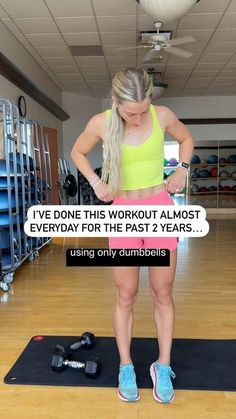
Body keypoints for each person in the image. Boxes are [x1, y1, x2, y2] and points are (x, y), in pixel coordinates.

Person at [71, 67, 194, 404]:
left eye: (143, 110)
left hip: (160, 212)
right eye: (130, 113)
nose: (139, 118)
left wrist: (182, 169)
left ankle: (162, 365)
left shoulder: (163, 115)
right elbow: (77, 152)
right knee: (125, 294)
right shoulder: (102, 122)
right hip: (122, 214)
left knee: (162, 292)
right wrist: (96, 182)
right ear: (115, 103)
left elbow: (186, 139)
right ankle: (126, 365)